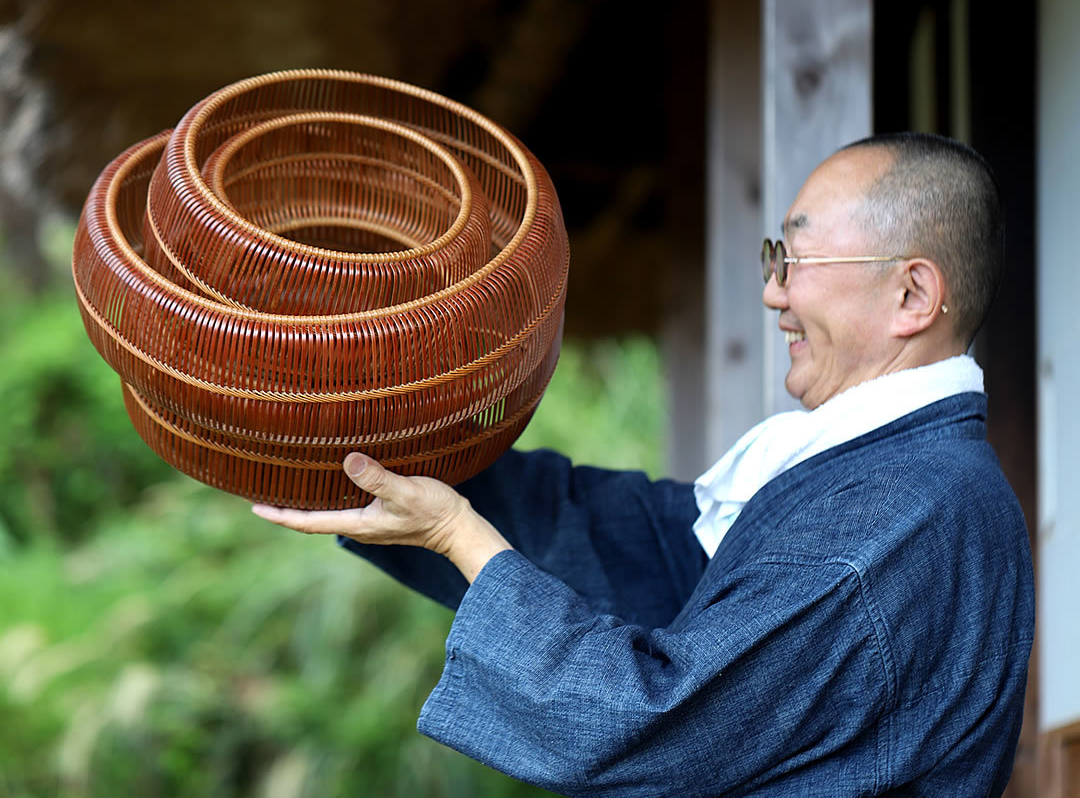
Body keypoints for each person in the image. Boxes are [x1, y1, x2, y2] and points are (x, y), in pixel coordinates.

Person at [253, 132, 1034, 796]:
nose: (773, 293)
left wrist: (458, 533)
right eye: (776, 257)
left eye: (796, 259)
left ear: (912, 294)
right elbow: (645, 549)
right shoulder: (884, 480)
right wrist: (369, 439)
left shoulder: (906, 509)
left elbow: (657, 720)